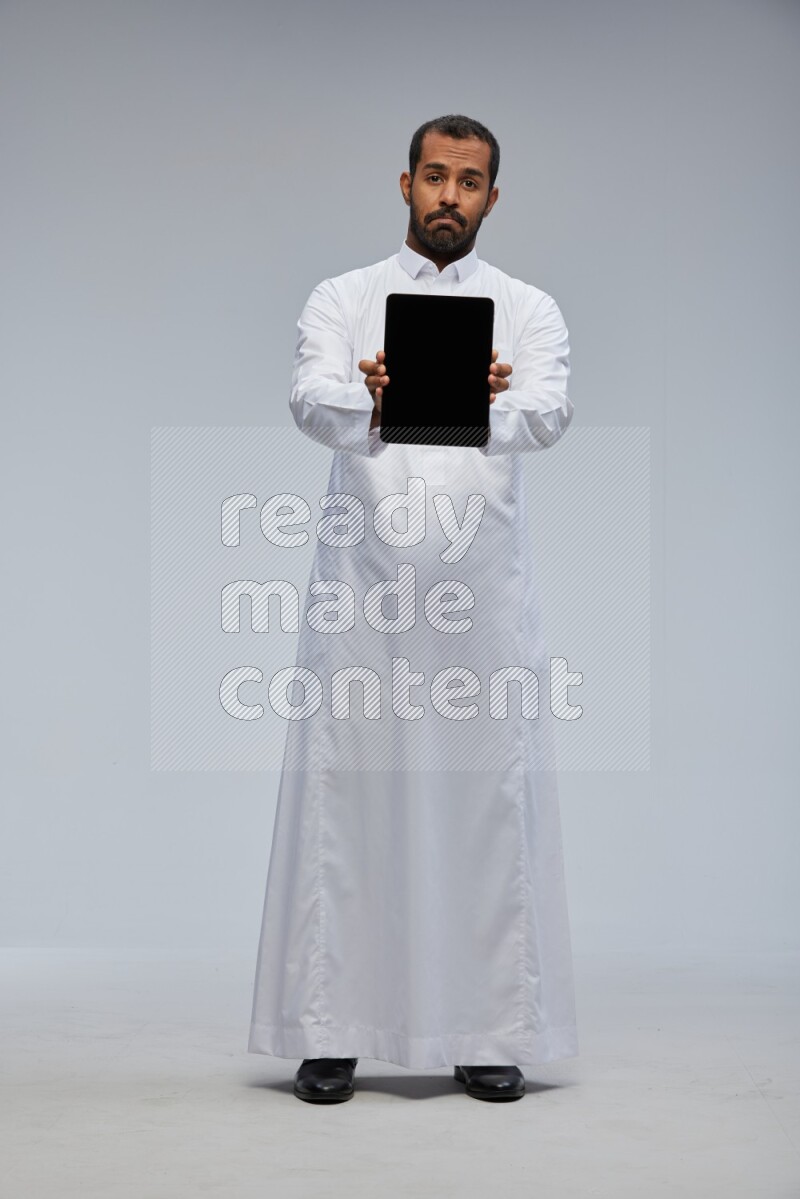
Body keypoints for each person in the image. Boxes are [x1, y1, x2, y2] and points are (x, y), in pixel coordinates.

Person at [248, 114, 578, 1103]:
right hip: (366, 594)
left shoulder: (526, 309)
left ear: (490, 197)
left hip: (479, 595)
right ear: (403, 184)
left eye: (468, 181)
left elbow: (549, 409)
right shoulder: (344, 298)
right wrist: (375, 394)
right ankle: (332, 1025)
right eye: (433, 176)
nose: (448, 195)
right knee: (350, 796)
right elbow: (310, 400)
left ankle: (485, 1027)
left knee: (484, 800)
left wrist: (477, 396)